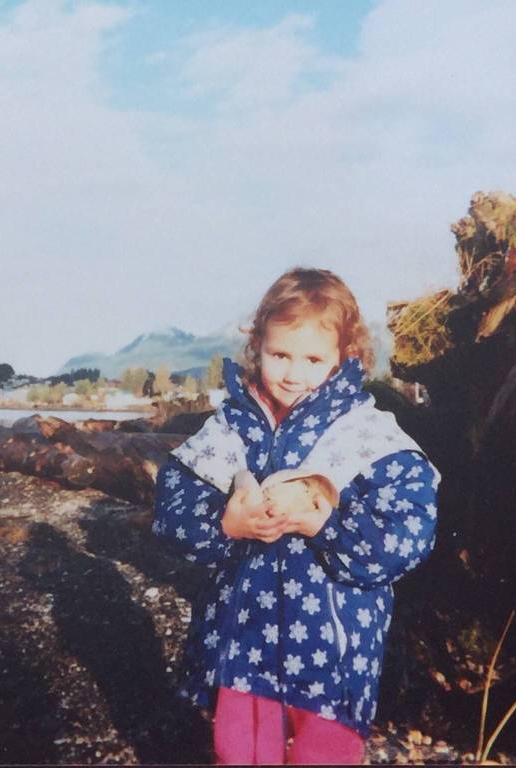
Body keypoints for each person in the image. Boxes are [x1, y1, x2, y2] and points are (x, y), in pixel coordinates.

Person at [152, 267, 439, 764]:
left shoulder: (367, 434)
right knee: (239, 751)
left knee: (323, 753)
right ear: (257, 345)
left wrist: (323, 524)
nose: (292, 373)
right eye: (280, 355)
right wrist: (224, 525)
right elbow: (171, 506)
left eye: (313, 359)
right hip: (242, 638)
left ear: (345, 357)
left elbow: (409, 533)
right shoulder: (231, 427)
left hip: (333, 645)